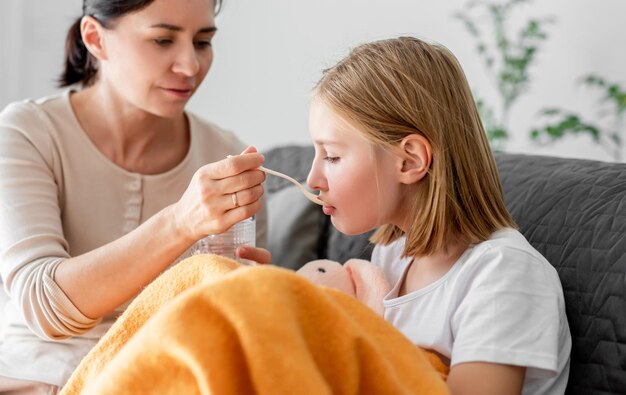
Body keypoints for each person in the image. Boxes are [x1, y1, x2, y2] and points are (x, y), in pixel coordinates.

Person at [0, 0, 270, 392]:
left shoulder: (226, 156)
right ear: (95, 38)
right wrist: (180, 222)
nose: (190, 66)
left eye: (202, 41)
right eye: (163, 40)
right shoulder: (26, 133)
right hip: (35, 379)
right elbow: (45, 307)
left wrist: (246, 290)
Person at [304, 36, 571, 394]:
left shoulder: (504, 274)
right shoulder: (390, 260)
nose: (312, 179)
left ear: (410, 160)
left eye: (332, 156)